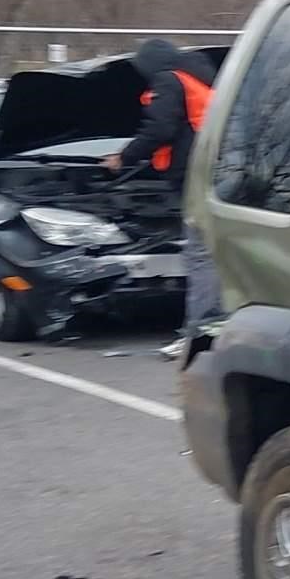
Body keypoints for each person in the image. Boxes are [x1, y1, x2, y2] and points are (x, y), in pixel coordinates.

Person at [101, 37, 220, 351]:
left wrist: (123, 157)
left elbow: (161, 129)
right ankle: (216, 325)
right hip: (215, 170)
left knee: (200, 255)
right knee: (215, 252)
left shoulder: (168, 81)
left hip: (194, 176)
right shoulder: (200, 79)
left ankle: (200, 332)